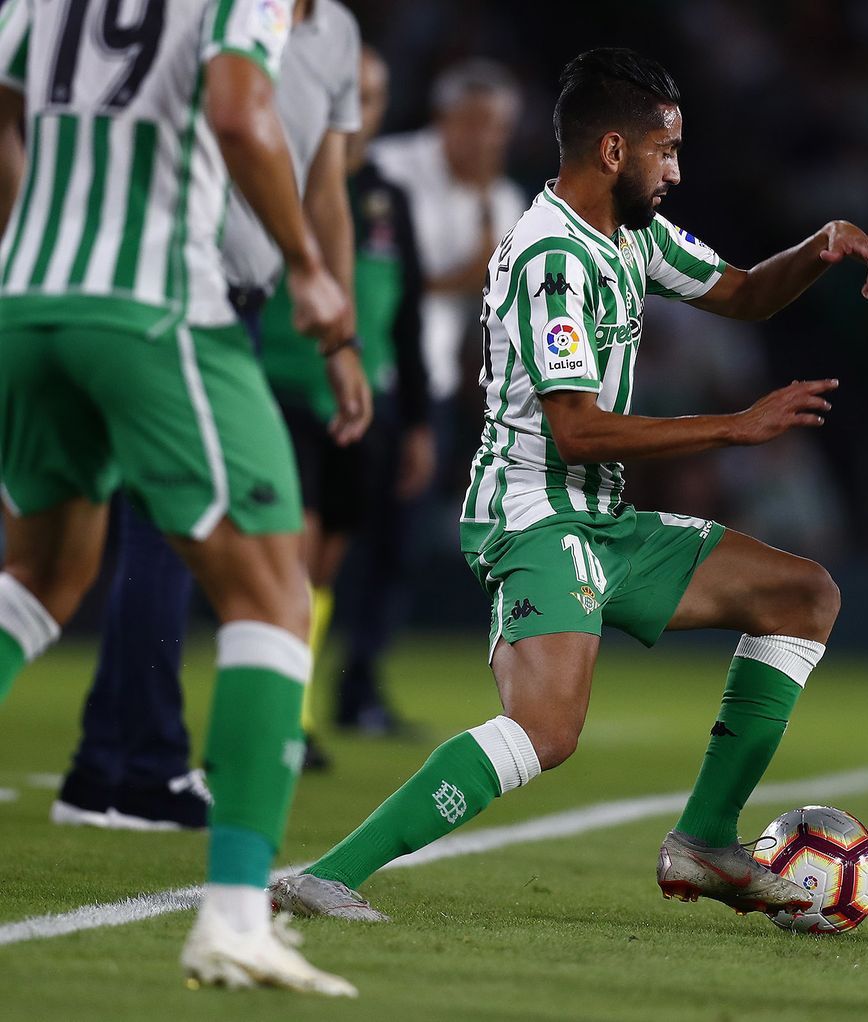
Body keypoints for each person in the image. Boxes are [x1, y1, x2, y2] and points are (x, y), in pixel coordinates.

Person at [270, 47, 868, 923]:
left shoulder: (629, 233)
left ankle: (704, 843)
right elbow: (578, 428)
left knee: (802, 595)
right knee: (547, 732)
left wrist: (818, 248)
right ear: (611, 152)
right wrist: (732, 425)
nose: (675, 170)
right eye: (664, 152)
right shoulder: (551, 257)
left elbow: (745, 293)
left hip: (599, 517)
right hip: (533, 511)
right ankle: (329, 874)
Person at [0, 0, 370, 995]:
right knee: (275, 591)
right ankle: (237, 916)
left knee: (37, 576)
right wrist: (306, 267)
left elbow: (4, 110)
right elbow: (243, 111)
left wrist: (33, 243)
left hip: (27, 299)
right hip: (157, 305)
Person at [256, 45, 431, 733]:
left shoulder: (390, 199)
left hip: (368, 403)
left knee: (324, 566)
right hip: (287, 388)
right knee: (294, 560)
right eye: (349, 92)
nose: (361, 110)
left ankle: (291, 713)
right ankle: (282, 724)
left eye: (374, 96)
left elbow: (409, 314)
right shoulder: (277, 174)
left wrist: (416, 421)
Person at [368, 58, 525, 477]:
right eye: (473, 122)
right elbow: (366, 275)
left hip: (433, 382)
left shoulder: (506, 202)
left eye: (497, 127)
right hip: (366, 367)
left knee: (407, 533)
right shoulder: (387, 166)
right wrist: (463, 279)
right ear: (442, 117)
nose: (485, 139)